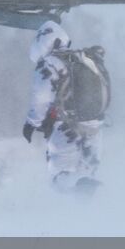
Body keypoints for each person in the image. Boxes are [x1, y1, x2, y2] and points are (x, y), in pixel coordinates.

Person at [22, 20, 107, 195]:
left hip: (67, 127)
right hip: (95, 125)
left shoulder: (50, 63)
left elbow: (41, 97)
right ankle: (91, 212)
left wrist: (32, 123)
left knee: (60, 174)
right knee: (87, 171)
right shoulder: (81, 58)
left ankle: (68, 213)